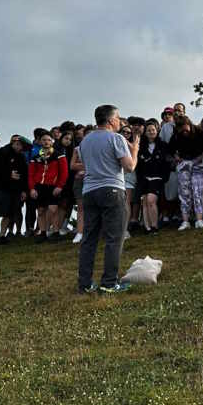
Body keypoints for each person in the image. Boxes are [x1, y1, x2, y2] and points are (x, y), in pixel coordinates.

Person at [77, 105, 137, 294]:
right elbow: (129, 167)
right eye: (118, 118)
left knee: (89, 239)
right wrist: (134, 150)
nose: (120, 121)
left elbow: (87, 165)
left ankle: (85, 284)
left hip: (89, 192)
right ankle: (109, 283)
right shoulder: (116, 138)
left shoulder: (85, 141)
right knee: (114, 238)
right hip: (112, 190)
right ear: (111, 120)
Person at [169, 115, 203, 230]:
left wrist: (200, 158)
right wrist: (176, 156)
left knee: (198, 191)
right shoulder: (176, 136)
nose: (184, 132)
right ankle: (185, 221)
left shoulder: (200, 132)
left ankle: (199, 220)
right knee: (184, 193)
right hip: (184, 165)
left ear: (189, 124)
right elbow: (171, 149)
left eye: (185, 129)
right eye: (181, 130)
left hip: (200, 165)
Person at [28, 130, 68, 243]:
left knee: (53, 209)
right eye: (44, 140)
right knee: (40, 210)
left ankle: (55, 232)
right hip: (39, 186)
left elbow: (64, 173)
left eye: (49, 140)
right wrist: (32, 188)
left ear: (52, 141)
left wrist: (60, 186)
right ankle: (43, 232)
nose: (46, 142)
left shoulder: (59, 155)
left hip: (53, 186)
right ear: (40, 142)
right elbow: (31, 174)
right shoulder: (35, 157)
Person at [0, 135, 28, 245]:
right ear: (14, 143)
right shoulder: (2, 152)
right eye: (18, 145)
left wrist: (24, 190)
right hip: (0, 188)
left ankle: (2, 235)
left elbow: (24, 174)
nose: (20, 148)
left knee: (8, 214)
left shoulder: (21, 157)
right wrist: (8, 174)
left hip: (15, 190)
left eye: (22, 146)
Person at [137, 120, 170, 234]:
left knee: (151, 199)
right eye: (148, 130)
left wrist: (164, 177)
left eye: (153, 130)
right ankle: (148, 228)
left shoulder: (163, 145)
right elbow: (138, 165)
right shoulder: (141, 147)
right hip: (144, 178)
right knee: (145, 202)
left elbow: (167, 163)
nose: (151, 132)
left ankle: (155, 226)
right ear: (145, 133)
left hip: (157, 177)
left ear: (157, 131)